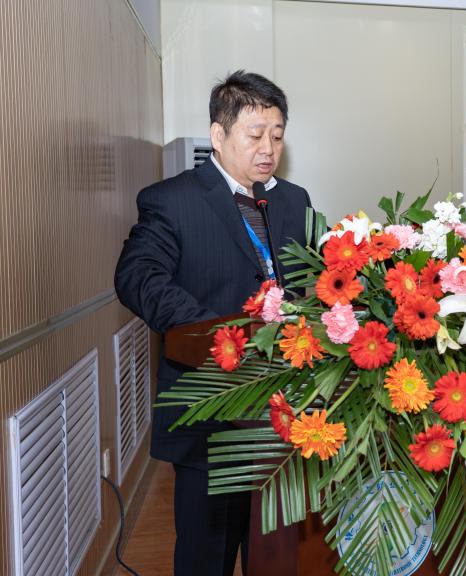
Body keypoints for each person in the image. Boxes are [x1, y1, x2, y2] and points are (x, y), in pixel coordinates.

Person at [115, 70, 312, 575]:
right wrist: (219, 335)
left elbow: (313, 278)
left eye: (277, 135)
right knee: (208, 555)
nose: (268, 148)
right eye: (255, 134)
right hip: (211, 409)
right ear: (218, 135)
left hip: (284, 410)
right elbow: (138, 276)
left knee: (279, 554)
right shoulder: (171, 199)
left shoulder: (294, 200)